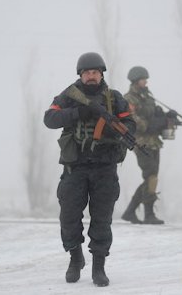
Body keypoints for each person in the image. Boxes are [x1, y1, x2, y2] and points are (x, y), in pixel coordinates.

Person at [44, 52, 135, 287]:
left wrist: (113, 131)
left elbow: (129, 124)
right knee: (69, 216)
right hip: (75, 167)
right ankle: (75, 258)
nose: (91, 76)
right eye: (87, 73)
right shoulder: (69, 96)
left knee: (102, 219)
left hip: (105, 167)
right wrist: (78, 113)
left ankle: (99, 267)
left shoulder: (114, 99)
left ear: (102, 74)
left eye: (95, 72)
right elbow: (50, 118)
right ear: (81, 75)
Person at [121, 66, 177, 225]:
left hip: (154, 142)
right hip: (140, 142)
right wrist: (153, 124)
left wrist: (167, 117)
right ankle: (148, 213)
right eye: (143, 79)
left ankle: (130, 212)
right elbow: (133, 121)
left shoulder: (149, 97)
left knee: (151, 177)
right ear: (136, 80)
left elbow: (154, 117)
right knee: (151, 175)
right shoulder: (129, 99)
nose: (146, 81)